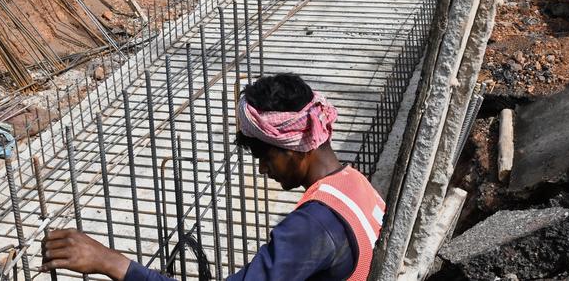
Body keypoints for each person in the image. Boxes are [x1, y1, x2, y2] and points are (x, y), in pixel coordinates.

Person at [40, 74, 385, 280]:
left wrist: (112, 263)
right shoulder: (353, 184)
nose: (263, 169)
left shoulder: (312, 228)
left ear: (295, 149)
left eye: (265, 156)